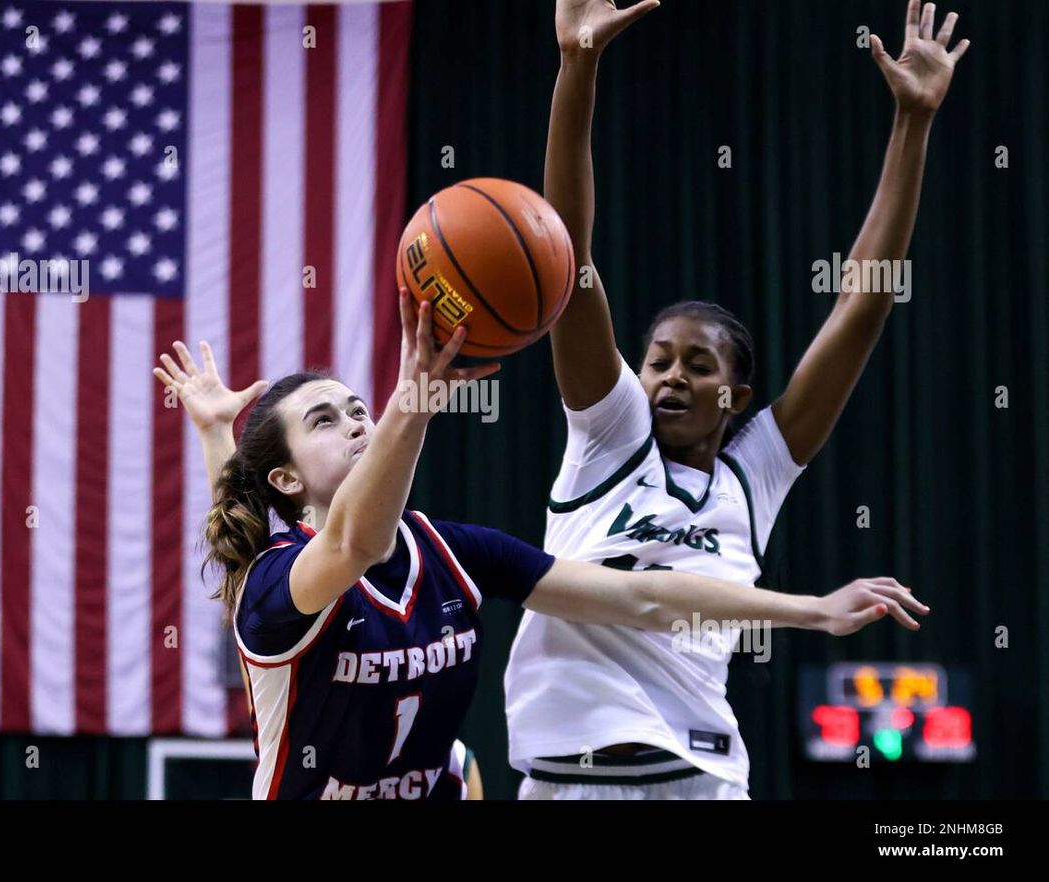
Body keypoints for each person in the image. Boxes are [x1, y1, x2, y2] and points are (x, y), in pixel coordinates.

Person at [153, 290, 928, 800]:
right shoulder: (275, 587)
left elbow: (640, 595)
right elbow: (345, 538)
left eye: (359, 407)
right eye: (327, 420)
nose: (357, 421)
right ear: (287, 479)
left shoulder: (455, 552)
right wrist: (411, 398)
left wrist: (813, 609)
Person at [503, 0, 966, 799]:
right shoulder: (610, 436)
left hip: (700, 774)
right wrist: (577, 65)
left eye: (698, 365)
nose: (672, 376)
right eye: (657, 361)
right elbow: (568, 259)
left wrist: (912, 126)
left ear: (736, 396)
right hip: (567, 776)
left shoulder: (755, 474)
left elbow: (863, 304)